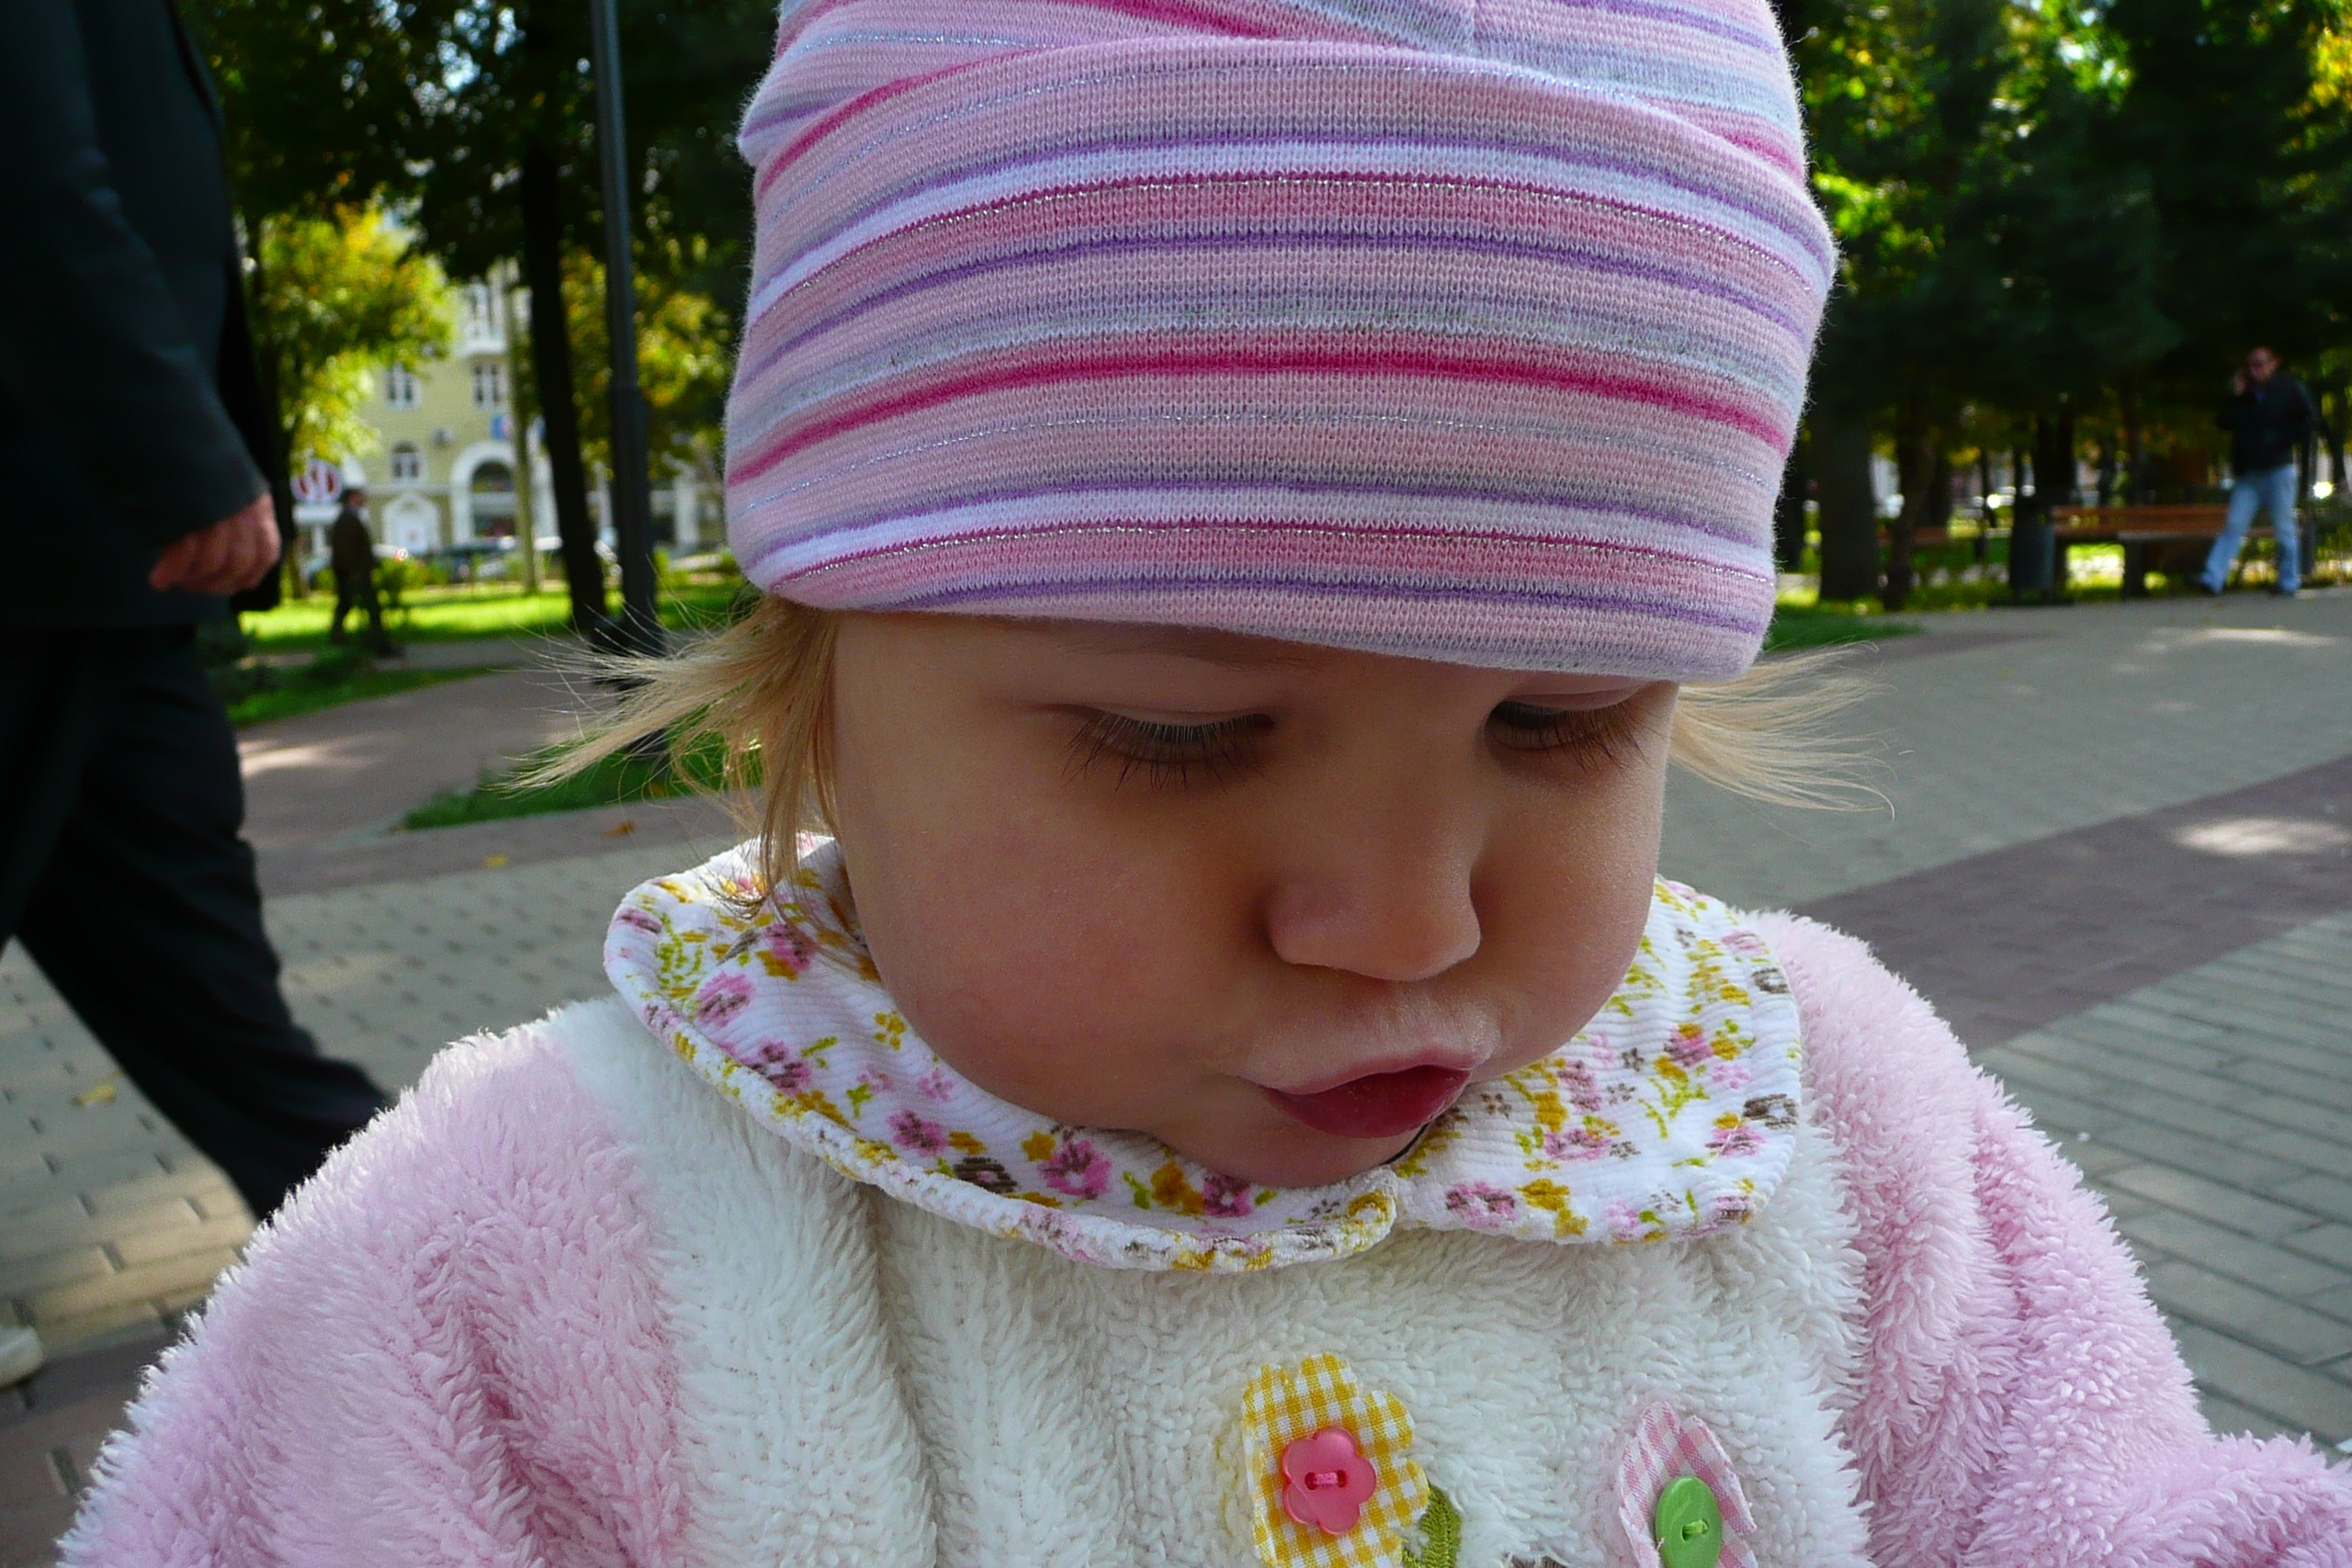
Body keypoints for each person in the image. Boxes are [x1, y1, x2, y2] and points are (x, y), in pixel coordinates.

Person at [62, 2, 2352, 1562]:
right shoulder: (525, 1264)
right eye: (1179, 734)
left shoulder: (1813, 1126)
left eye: (1556, 725)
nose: (1405, 920)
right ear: (814, 684)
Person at [0, 0, 390, 1386]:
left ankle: (413, 1238)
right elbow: (27, 170)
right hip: (56, 519)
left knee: (199, 972)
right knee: (193, 965)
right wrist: (180, 455)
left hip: (95, 563)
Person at [2203, 345, 2321, 597]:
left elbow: (2308, 421)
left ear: (2273, 364)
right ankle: (2212, 578)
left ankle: (2288, 582)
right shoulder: (2245, 393)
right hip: (2249, 473)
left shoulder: (2288, 389)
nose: (2255, 370)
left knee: (2284, 528)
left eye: (2259, 364)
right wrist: (2235, 395)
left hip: (2279, 469)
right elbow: (2224, 422)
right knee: (2234, 525)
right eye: (2251, 365)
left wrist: (2279, 439)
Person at [326, 487, 393, 654]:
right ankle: (378, 643)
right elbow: (347, 548)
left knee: (347, 604)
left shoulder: (350, 517)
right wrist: (355, 571)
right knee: (371, 606)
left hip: (353, 572)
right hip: (355, 573)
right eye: (360, 496)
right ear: (352, 497)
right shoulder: (348, 518)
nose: (364, 499)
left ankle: (339, 637)